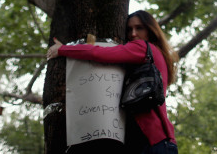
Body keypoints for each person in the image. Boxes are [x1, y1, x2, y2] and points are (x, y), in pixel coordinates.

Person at [46, 10, 178, 154]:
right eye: (129, 29)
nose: (133, 34)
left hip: (154, 142)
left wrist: (63, 49)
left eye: (139, 28)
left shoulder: (143, 48)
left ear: (151, 30)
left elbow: (99, 53)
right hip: (155, 142)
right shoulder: (154, 53)